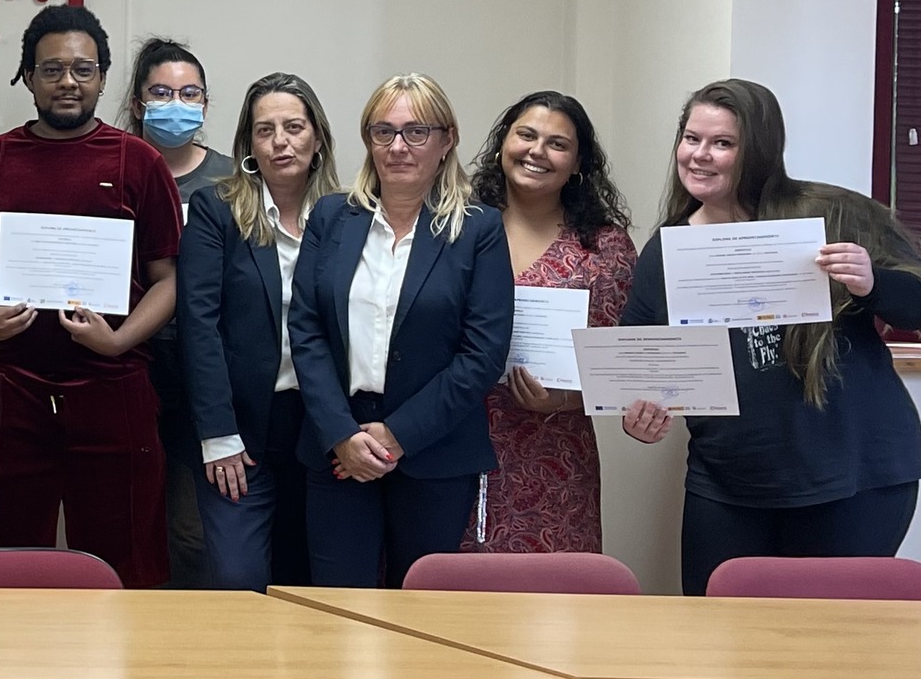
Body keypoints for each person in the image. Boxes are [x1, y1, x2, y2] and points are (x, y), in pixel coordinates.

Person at [619, 79, 921, 595]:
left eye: (722, 143)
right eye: (691, 138)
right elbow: (642, 363)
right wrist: (640, 416)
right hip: (727, 483)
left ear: (757, 151)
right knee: (716, 630)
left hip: (856, 477)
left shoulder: (830, 213)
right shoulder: (666, 250)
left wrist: (872, 283)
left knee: (831, 636)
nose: (700, 155)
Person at [0, 4, 183, 589]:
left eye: (82, 69)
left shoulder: (140, 162)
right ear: (28, 76)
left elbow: (169, 279)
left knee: (125, 562)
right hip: (8, 386)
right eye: (51, 69)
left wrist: (118, 339)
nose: (67, 82)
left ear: (102, 77)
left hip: (112, 387)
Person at [286, 73, 511, 590]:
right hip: (340, 445)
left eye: (416, 132)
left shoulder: (477, 228)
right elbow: (307, 330)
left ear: (447, 139)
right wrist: (342, 434)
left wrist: (398, 435)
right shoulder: (331, 217)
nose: (398, 146)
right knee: (340, 607)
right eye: (383, 131)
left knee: (420, 608)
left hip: (435, 449)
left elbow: (482, 353)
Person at [178, 72, 339, 592]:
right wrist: (218, 435)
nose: (280, 142)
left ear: (317, 137)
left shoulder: (348, 216)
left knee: (310, 580)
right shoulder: (217, 210)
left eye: (294, 127)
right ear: (249, 144)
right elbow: (198, 325)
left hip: (322, 428)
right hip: (240, 427)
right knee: (239, 580)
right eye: (264, 130)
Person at [463, 91, 635, 554]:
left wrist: (563, 399)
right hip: (451, 442)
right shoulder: (454, 228)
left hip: (554, 454)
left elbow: (621, 365)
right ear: (503, 143)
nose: (537, 151)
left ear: (578, 163)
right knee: (445, 585)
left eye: (557, 144)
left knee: (552, 592)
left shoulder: (604, 249)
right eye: (526, 135)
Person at [118, 36, 232, 589]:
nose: (176, 104)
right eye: (161, 93)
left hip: (203, 372)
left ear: (206, 104)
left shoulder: (234, 182)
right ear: (138, 102)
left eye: (190, 94)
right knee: (126, 517)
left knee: (191, 530)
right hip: (122, 362)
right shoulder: (114, 165)